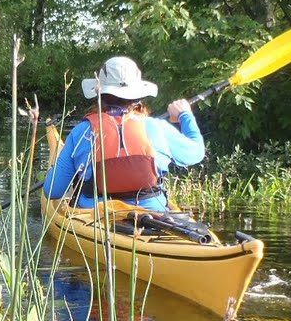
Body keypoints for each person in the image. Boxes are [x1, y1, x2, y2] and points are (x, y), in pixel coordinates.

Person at [42, 56, 204, 212]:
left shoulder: (82, 132)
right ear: (138, 96)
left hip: (95, 220)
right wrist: (185, 115)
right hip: (154, 216)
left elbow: (53, 191)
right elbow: (196, 153)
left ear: (99, 94)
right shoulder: (157, 127)